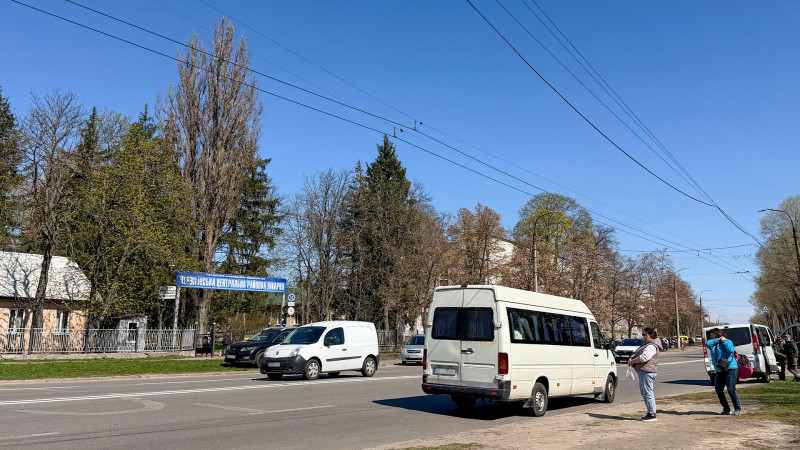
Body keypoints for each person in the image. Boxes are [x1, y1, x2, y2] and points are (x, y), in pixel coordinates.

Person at [627, 327, 662, 421]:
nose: (643, 337)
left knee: (648, 393)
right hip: (644, 371)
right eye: (642, 335)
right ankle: (650, 412)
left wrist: (633, 361)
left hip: (647, 372)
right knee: (644, 393)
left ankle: (652, 414)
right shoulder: (647, 345)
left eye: (645, 335)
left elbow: (644, 358)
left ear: (651, 335)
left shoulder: (651, 346)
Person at [706, 328, 741, 415]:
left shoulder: (728, 341)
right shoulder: (714, 344)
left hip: (730, 368)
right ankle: (726, 409)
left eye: (712, 335)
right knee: (718, 389)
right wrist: (717, 339)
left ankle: (737, 408)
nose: (711, 337)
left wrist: (724, 341)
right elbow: (707, 343)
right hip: (719, 369)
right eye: (711, 335)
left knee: (731, 389)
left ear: (717, 333)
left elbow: (731, 350)